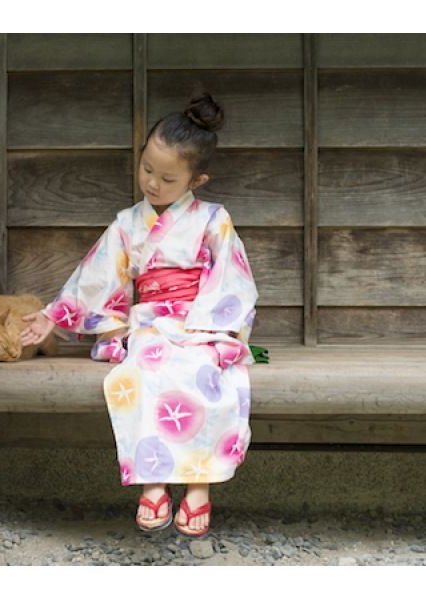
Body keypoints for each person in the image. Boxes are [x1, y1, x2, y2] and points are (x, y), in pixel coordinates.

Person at [19, 90, 258, 538]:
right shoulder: (129, 223)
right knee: (142, 372)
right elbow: (98, 273)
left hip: (201, 320)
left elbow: (232, 278)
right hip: (149, 324)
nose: (152, 183)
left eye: (167, 179)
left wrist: (215, 330)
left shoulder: (213, 220)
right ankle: (153, 482)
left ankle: (199, 486)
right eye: (147, 168)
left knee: (208, 373)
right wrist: (53, 315)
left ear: (197, 180)